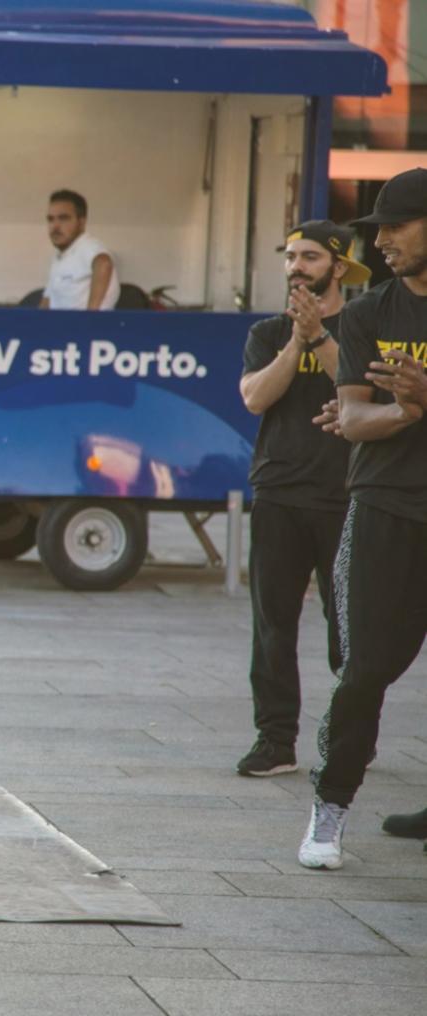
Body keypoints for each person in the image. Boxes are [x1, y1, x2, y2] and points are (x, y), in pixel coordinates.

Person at [302, 166, 427, 869]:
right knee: (364, 671)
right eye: (376, 229)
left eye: (396, 227)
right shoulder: (369, 314)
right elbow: (350, 416)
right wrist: (406, 412)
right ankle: (331, 806)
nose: (380, 242)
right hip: (384, 510)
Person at [235, 221, 367, 779]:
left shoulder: (362, 326)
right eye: (290, 257)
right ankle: (275, 740)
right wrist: (296, 339)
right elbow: (255, 397)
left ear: (337, 267)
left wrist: (319, 337)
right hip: (278, 492)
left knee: (350, 629)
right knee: (272, 623)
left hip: (345, 496)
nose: (295, 267)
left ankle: (349, 737)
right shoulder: (268, 333)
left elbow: (358, 386)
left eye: (309, 257)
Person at [41, 189, 118, 311]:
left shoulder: (88, 246)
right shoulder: (60, 255)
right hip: (59, 327)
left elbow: (104, 263)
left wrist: (89, 318)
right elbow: (48, 300)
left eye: (63, 218)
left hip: (85, 328)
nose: (55, 226)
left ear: (81, 222)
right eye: (51, 219)